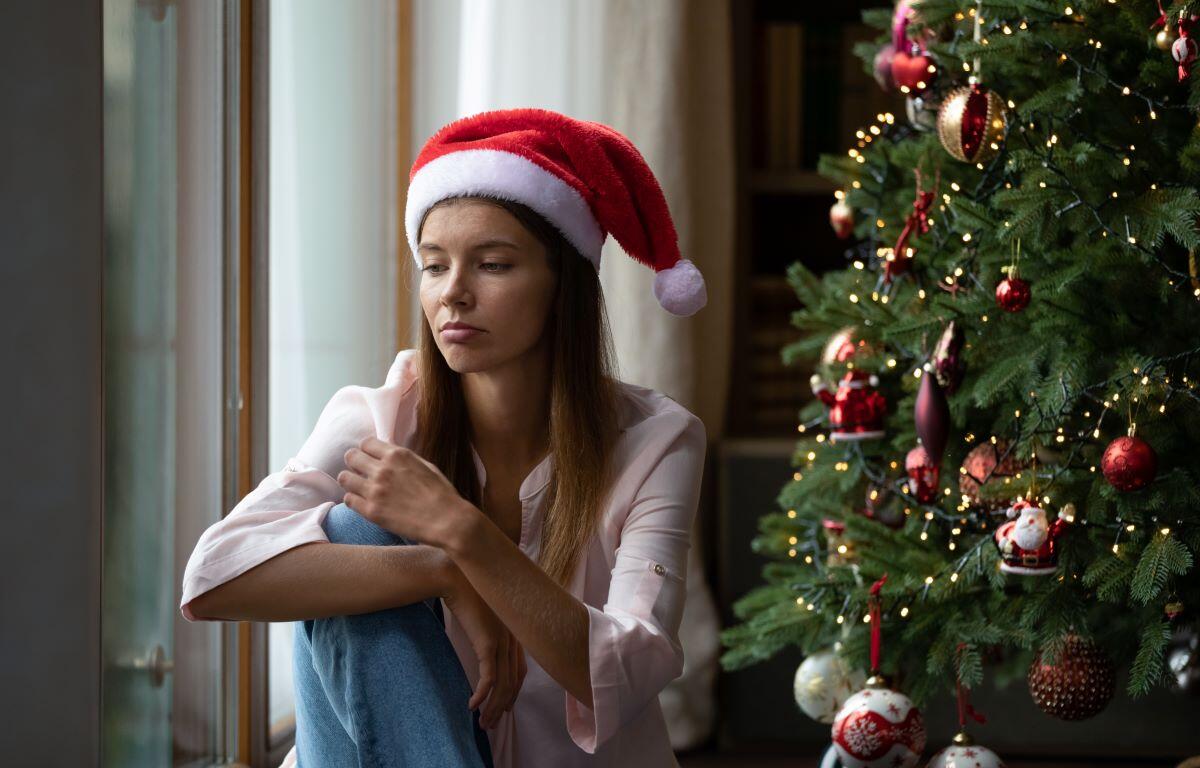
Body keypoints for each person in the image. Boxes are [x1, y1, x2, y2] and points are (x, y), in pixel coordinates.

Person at [180, 107, 709, 767]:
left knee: (354, 536)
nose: (452, 295)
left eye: (492, 265)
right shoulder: (378, 417)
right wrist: (437, 569)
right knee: (353, 537)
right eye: (434, 267)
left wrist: (466, 534)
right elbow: (212, 578)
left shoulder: (657, 441)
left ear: (563, 285)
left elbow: (630, 668)